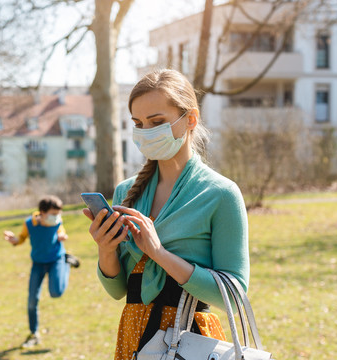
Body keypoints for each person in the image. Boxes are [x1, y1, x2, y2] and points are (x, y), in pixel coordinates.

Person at [83, 69, 249, 360]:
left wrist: (158, 252)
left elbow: (233, 296)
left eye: (157, 122)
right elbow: (118, 291)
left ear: (190, 119)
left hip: (191, 342)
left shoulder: (221, 194)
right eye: (138, 123)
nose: (146, 132)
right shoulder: (126, 192)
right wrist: (106, 249)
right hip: (132, 334)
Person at [3, 195, 80, 348]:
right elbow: (22, 238)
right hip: (37, 263)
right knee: (32, 300)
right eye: (53, 214)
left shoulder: (57, 222)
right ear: (42, 212)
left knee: (56, 293)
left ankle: (66, 262)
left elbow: (61, 232)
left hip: (55, 260)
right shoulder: (29, 224)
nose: (56, 217)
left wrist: (62, 236)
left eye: (58, 213)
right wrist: (14, 240)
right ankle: (34, 333)